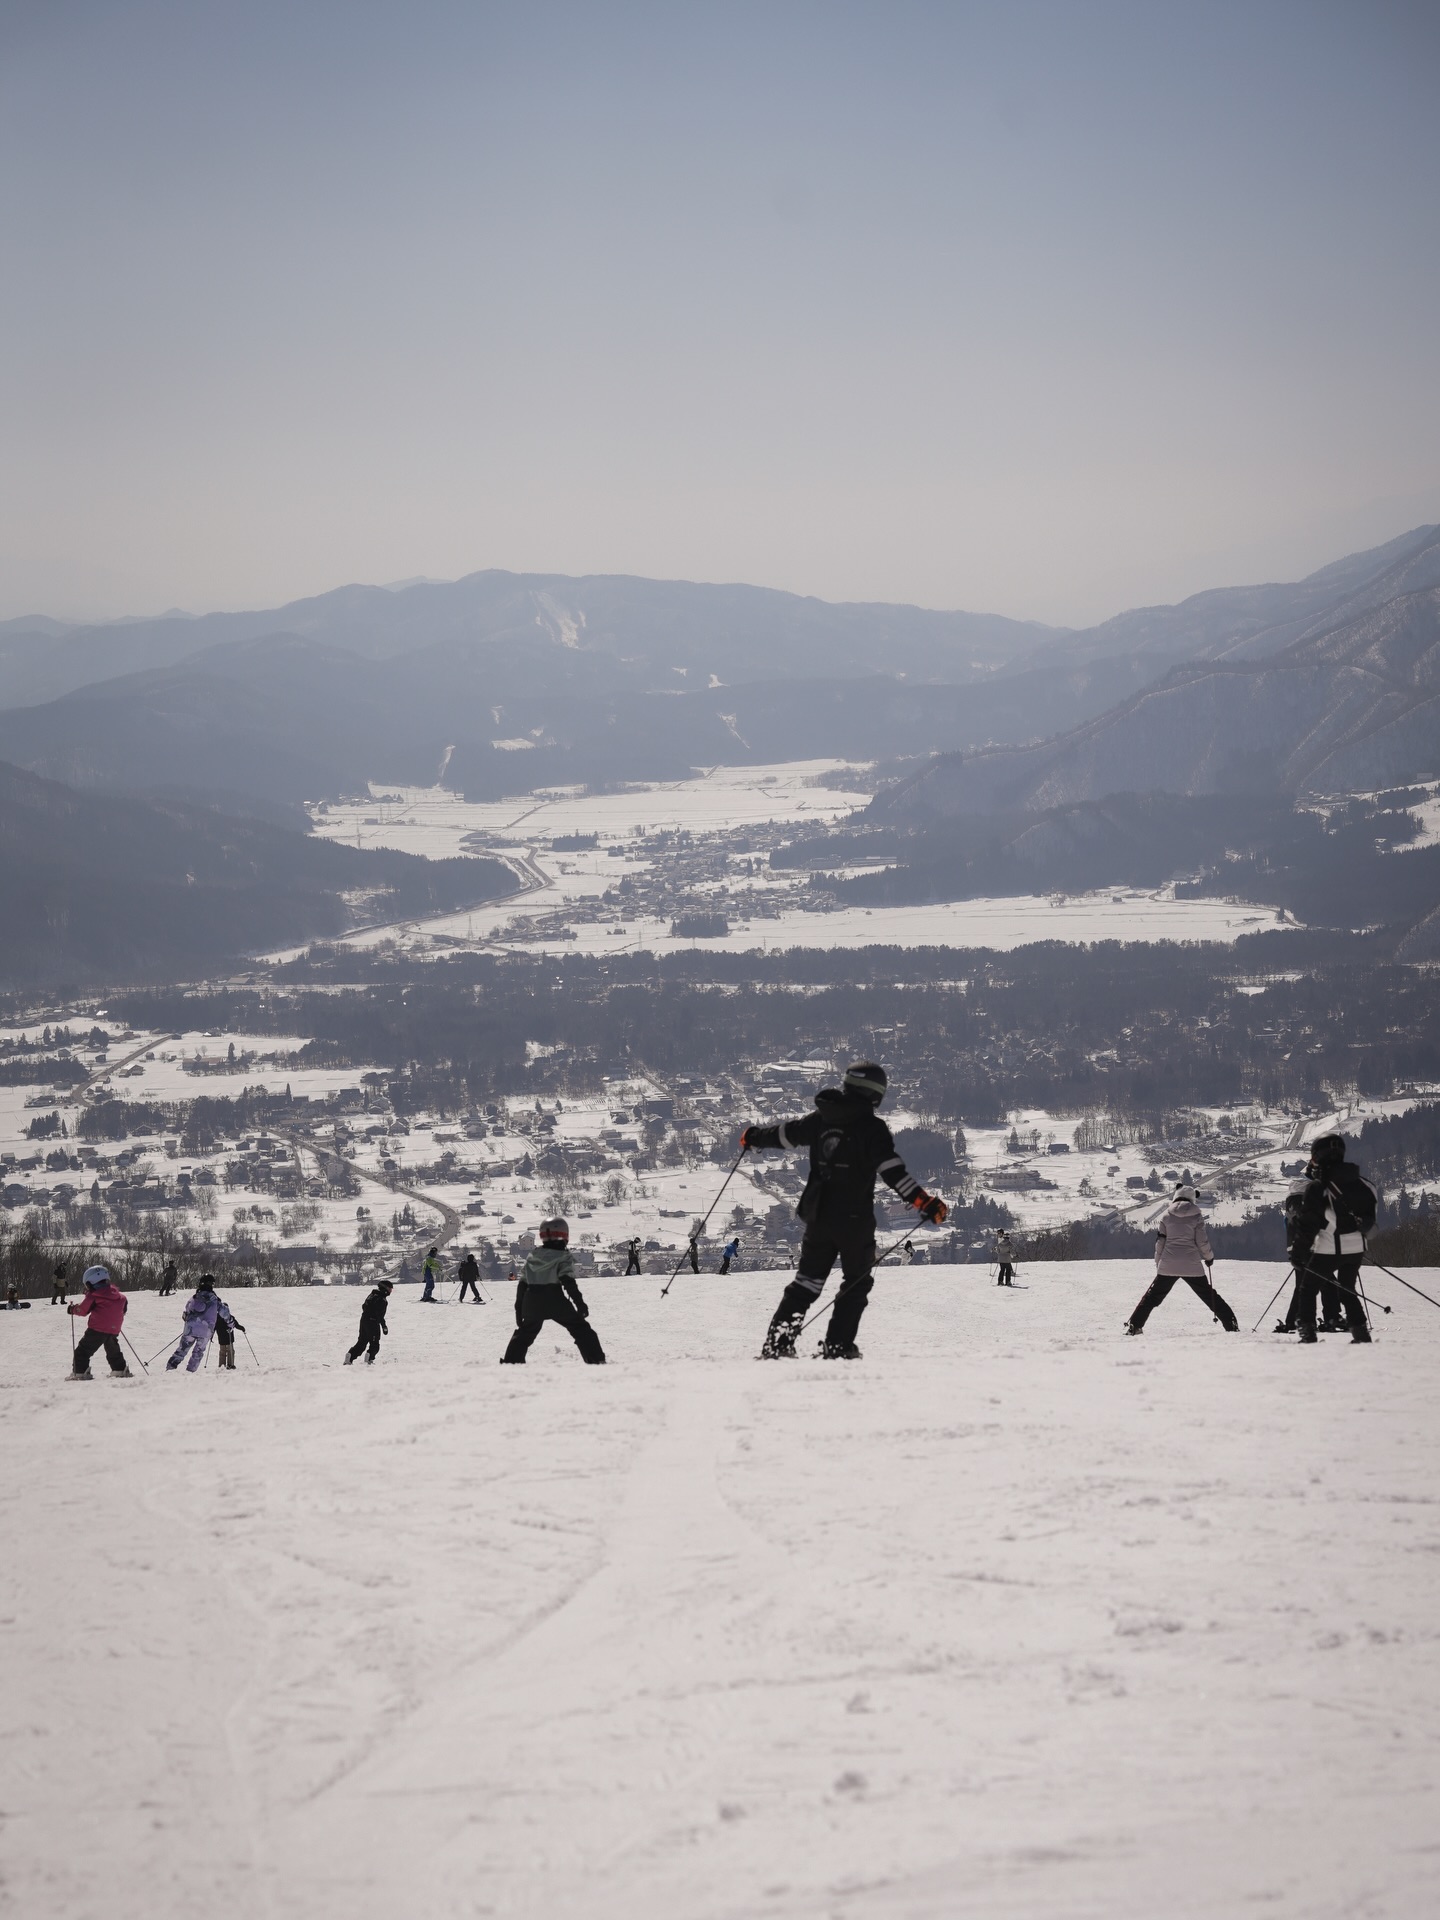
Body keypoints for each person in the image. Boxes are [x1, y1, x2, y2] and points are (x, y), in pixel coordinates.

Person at [742, 1062, 948, 1360]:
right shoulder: (872, 1128)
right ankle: (837, 1345)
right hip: (854, 1220)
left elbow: (785, 1135)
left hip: (818, 1216)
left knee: (807, 1282)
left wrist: (754, 1137)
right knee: (856, 1281)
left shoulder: (821, 1119)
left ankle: (778, 1343)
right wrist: (923, 1202)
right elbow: (892, 1172)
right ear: (876, 1094)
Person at [1285, 1133, 1376, 1345]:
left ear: (1319, 1156)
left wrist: (1298, 1252)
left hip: (1329, 1247)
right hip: (1356, 1248)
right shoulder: (1365, 1185)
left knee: (1307, 1289)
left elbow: (1309, 1224)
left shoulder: (1318, 1188)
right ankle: (1360, 1332)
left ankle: (1308, 1334)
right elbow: (1371, 1220)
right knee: (1347, 1288)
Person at [1125, 1186, 1238, 1335]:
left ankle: (1135, 1325)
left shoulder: (1166, 1216)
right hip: (1192, 1265)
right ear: (1193, 1198)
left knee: (1152, 1297)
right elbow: (1202, 1241)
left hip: (1168, 1264)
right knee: (1209, 1296)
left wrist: (1159, 1263)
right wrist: (1209, 1258)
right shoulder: (1197, 1217)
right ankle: (1231, 1324)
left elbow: (1160, 1243)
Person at [502, 1217, 606, 1365]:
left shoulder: (533, 1256)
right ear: (565, 1235)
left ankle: (511, 1363)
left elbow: (522, 1284)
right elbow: (568, 1282)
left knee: (524, 1335)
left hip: (532, 1301)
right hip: (554, 1299)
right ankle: (596, 1360)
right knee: (581, 1330)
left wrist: (519, 1309)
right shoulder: (563, 1255)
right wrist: (580, 1304)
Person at [68, 1265, 131, 1378]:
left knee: (83, 1351)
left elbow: (83, 1310)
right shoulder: (121, 1297)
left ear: (90, 1283)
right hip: (113, 1329)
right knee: (113, 1351)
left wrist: (73, 1309)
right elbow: (123, 1310)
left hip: (97, 1329)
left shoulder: (94, 1296)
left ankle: (80, 1372)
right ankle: (119, 1369)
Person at [167, 1274, 221, 1372]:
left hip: (190, 1329)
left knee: (182, 1350)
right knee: (198, 1353)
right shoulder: (215, 1299)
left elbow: (186, 1312)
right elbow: (224, 1312)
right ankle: (190, 1373)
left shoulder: (195, 1297)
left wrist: (191, 1321)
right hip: (206, 1331)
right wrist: (231, 1323)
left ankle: (170, 1369)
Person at [345, 1280, 393, 1364]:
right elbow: (380, 1315)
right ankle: (369, 1359)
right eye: (390, 1289)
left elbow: (364, 1306)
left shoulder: (372, 1295)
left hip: (364, 1320)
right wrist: (384, 1326)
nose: (390, 1291)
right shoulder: (381, 1299)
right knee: (375, 1344)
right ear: (384, 1289)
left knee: (362, 1342)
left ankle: (350, 1357)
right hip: (373, 1323)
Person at [213, 1294, 246, 1370]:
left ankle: (221, 1365)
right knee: (230, 1351)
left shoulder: (216, 1318)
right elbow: (236, 1325)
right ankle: (230, 1365)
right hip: (229, 1338)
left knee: (222, 1352)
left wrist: (211, 1336)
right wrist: (242, 1328)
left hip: (221, 1338)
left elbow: (213, 1328)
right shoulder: (229, 1317)